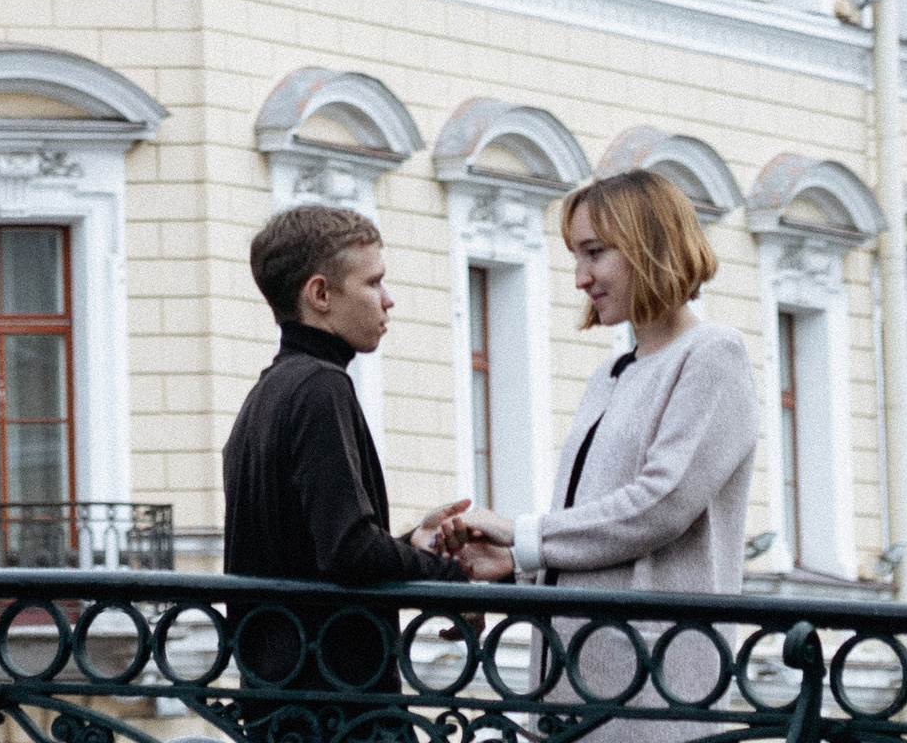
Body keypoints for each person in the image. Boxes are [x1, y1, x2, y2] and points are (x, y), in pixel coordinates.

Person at [454, 168, 756, 740]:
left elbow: (658, 506)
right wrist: (511, 565)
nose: (580, 278)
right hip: (569, 684)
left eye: (594, 253)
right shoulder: (611, 373)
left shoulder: (713, 354)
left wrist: (521, 534)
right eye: (576, 256)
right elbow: (597, 533)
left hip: (651, 687)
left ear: (650, 246)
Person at [222, 203, 511, 729]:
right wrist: (453, 578)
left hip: (283, 700)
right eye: (373, 282)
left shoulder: (265, 394)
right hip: (339, 705)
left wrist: (411, 543)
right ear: (320, 294)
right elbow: (348, 550)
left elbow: (313, 552)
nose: (388, 299)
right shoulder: (320, 386)